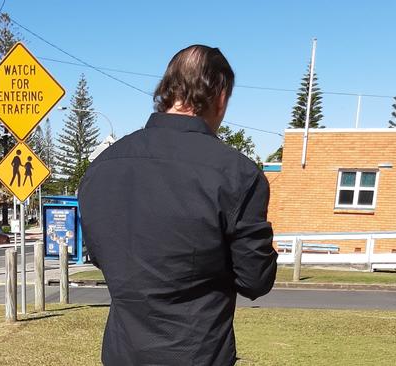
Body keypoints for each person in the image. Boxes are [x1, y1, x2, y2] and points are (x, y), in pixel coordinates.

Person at [78, 45, 278, 365]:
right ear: (221, 96)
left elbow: (102, 256)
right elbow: (256, 280)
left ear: (167, 91)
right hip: (197, 355)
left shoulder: (100, 168)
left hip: (121, 354)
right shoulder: (237, 174)